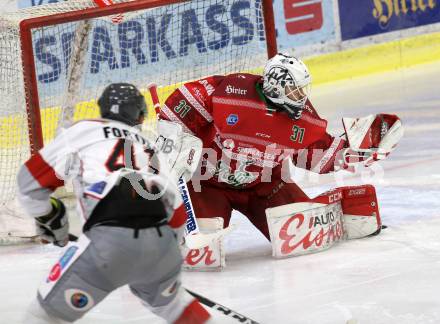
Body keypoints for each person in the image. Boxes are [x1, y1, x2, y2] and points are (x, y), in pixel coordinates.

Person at [17, 83, 210, 323]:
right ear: (140, 115)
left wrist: (50, 216)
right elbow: (177, 213)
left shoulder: (83, 130)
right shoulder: (149, 146)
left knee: (44, 316)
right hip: (161, 244)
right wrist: (159, 264)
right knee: (174, 306)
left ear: (102, 109)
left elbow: (28, 182)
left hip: (107, 244)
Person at [159, 53, 402, 242]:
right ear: (277, 86)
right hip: (206, 184)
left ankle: (343, 212)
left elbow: (316, 158)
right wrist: (173, 141)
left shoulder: (302, 120)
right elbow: (177, 110)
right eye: (295, 90)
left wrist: (358, 152)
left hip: (264, 186)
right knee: (201, 249)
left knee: (305, 233)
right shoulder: (228, 93)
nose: (301, 97)